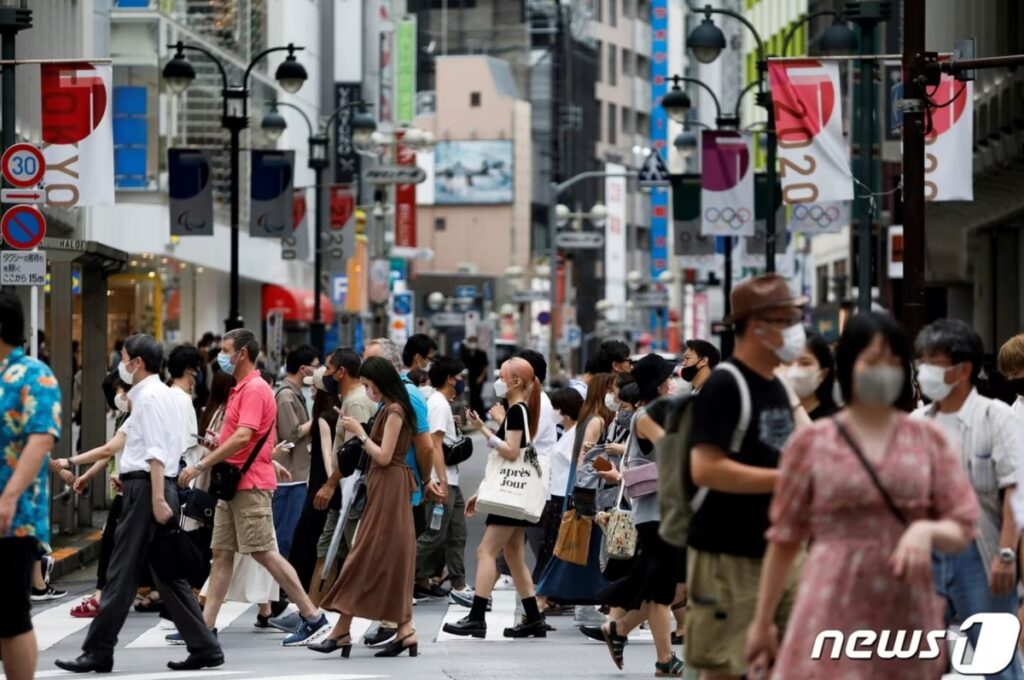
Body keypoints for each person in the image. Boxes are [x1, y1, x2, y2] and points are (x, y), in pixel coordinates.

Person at [745, 312, 981, 679]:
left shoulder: (928, 439)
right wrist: (762, 622)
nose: (883, 369)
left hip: (906, 607)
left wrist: (926, 532)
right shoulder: (812, 443)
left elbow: (964, 525)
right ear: (849, 365)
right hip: (830, 598)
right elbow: (785, 538)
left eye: (893, 361)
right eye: (872, 360)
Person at [56, 334, 222, 674]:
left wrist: (158, 497)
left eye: (123, 357)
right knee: (167, 575)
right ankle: (204, 646)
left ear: (137, 363)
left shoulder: (147, 399)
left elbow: (156, 451)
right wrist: (78, 468)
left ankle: (98, 650)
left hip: (147, 491)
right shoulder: (156, 395)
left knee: (120, 573)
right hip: (150, 487)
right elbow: (120, 444)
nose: (121, 363)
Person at [683, 274, 811, 680]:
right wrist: (784, 479)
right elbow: (705, 468)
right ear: (757, 325)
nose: (797, 328)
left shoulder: (775, 384)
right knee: (724, 666)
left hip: (780, 549)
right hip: (727, 553)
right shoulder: (726, 384)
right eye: (788, 318)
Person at [177, 329, 329, 648]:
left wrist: (201, 465)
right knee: (221, 554)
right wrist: (217, 442)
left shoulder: (255, 389)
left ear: (241, 354)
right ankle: (207, 627)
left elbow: (244, 436)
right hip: (233, 485)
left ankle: (313, 617)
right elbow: (244, 438)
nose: (221, 356)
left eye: (225, 350)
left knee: (263, 552)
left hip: (249, 485)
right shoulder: (241, 388)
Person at [912, 319, 1023, 679]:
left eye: (935, 363)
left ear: (963, 370)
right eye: (922, 361)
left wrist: (1007, 554)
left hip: (980, 555)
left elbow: (1014, 490)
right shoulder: (916, 424)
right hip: (926, 556)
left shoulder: (998, 418)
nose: (924, 371)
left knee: (997, 662)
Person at [310, 357, 421, 658]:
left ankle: (344, 631)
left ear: (381, 383)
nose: (368, 392)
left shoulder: (395, 410)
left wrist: (360, 432)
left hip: (390, 485)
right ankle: (403, 630)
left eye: (370, 386)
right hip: (386, 487)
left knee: (364, 554)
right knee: (382, 558)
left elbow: (384, 456)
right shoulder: (391, 407)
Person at [583, 354, 683, 676]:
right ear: (657, 383)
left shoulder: (656, 412)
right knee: (664, 589)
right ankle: (663, 659)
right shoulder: (644, 415)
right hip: (656, 514)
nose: (673, 382)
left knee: (662, 586)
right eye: (669, 378)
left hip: (665, 511)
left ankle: (622, 628)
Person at [444, 358, 548, 639]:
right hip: (512, 493)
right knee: (513, 556)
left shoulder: (517, 411)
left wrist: (483, 431)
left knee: (485, 552)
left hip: (510, 497)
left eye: (502, 375)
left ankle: (477, 617)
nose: (497, 380)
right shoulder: (520, 410)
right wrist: (481, 493)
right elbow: (505, 463)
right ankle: (534, 620)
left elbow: (511, 452)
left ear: (515, 382)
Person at [0, 291, 61, 680]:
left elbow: (42, 438)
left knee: (10, 614)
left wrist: (8, 498)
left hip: (12, 517)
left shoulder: (34, 375)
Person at [55, 372, 131, 617]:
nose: (120, 396)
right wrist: (86, 476)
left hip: (134, 488)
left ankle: (102, 595)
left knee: (113, 541)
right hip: (129, 486)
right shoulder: (127, 417)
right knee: (133, 543)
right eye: (117, 392)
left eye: (122, 391)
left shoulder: (137, 415)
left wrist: (71, 461)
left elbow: (108, 449)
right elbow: (109, 453)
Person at [415, 356, 470, 601]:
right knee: (434, 535)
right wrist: (441, 481)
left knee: (457, 534)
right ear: (450, 379)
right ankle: (395, 577)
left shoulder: (443, 404)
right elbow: (434, 445)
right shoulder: (438, 403)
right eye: (460, 378)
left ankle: (459, 585)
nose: (462, 382)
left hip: (451, 481)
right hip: (441, 481)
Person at [273, 344, 318, 559]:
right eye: (315, 367)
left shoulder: (294, 393)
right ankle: (280, 586)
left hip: (296, 473)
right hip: (289, 476)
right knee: (285, 532)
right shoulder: (286, 396)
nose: (317, 372)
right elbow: (291, 433)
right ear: (303, 369)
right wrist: (317, 419)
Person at [781, 330, 839, 420]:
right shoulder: (771, 416)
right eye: (787, 362)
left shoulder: (836, 422)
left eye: (804, 363)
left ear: (822, 374)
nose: (793, 369)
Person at [460, 335, 489, 416]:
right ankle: (473, 414)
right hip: (471, 378)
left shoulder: (481, 353)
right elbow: (464, 364)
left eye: (474, 342)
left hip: (479, 378)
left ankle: (481, 414)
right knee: (471, 397)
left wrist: (481, 377)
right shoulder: (467, 353)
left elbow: (485, 366)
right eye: (471, 342)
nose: (472, 344)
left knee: (477, 396)